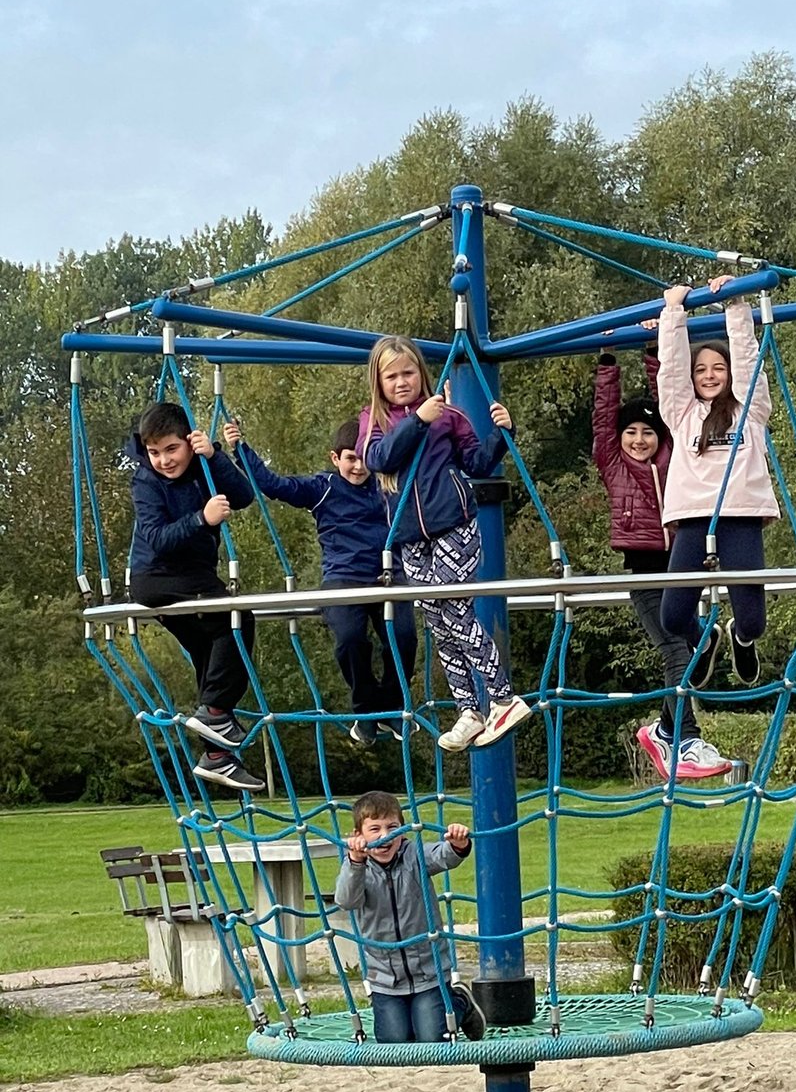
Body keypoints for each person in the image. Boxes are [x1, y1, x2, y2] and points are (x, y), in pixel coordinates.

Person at [357, 335, 531, 753]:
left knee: (455, 608)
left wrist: (504, 434)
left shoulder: (448, 415)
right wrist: (417, 420)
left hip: (455, 523)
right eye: (392, 376)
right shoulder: (373, 421)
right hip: (409, 537)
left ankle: (503, 698)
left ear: (423, 373)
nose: (402, 382)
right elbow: (378, 460)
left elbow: (474, 462)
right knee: (437, 621)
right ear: (378, 383)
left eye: (409, 372)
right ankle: (469, 708)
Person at [223, 418, 418, 747]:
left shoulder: (388, 487)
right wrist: (240, 449)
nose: (358, 467)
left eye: (364, 457)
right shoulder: (324, 487)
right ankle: (365, 710)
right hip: (343, 579)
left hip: (388, 576)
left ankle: (391, 707)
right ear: (335, 458)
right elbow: (274, 485)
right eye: (350, 458)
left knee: (404, 637)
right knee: (351, 638)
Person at [592, 340, 732, 781]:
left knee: (696, 647)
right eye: (631, 433)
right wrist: (608, 364)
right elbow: (603, 420)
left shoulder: (672, 458)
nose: (639, 440)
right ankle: (684, 739)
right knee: (676, 649)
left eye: (647, 433)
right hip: (645, 571)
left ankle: (663, 730)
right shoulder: (613, 462)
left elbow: (669, 403)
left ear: (660, 438)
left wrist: (657, 354)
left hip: (680, 564)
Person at [653, 274, 779, 723]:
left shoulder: (751, 409)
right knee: (672, 616)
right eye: (701, 369)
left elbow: (748, 359)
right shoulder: (682, 413)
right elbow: (669, 374)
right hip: (692, 517)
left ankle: (740, 640)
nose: (709, 375)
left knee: (753, 620)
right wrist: (674, 314)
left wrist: (736, 305)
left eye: (717, 368)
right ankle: (705, 641)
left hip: (740, 515)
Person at [127, 400, 264, 793]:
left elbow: (242, 496)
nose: (164, 460)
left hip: (194, 574)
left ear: (189, 442)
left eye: (172, 449)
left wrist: (215, 456)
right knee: (237, 619)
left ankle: (217, 756)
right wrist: (201, 518)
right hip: (157, 576)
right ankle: (216, 712)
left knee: (211, 649)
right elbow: (156, 538)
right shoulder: (146, 481)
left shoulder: (203, 468)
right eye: (155, 452)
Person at [334, 789, 486, 1043]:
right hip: (385, 978)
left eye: (392, 827)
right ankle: (425, 1011)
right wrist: (355, 861)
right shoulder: (357, 869)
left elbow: (443, 855)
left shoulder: (414, 856)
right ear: (358, 836)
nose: (385, 836)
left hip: (429, 972)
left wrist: (458, 844)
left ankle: (461, 1002)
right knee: (393, 1039)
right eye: (375, 829)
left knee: (433, 1037)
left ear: (402, 832)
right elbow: (346, 899)